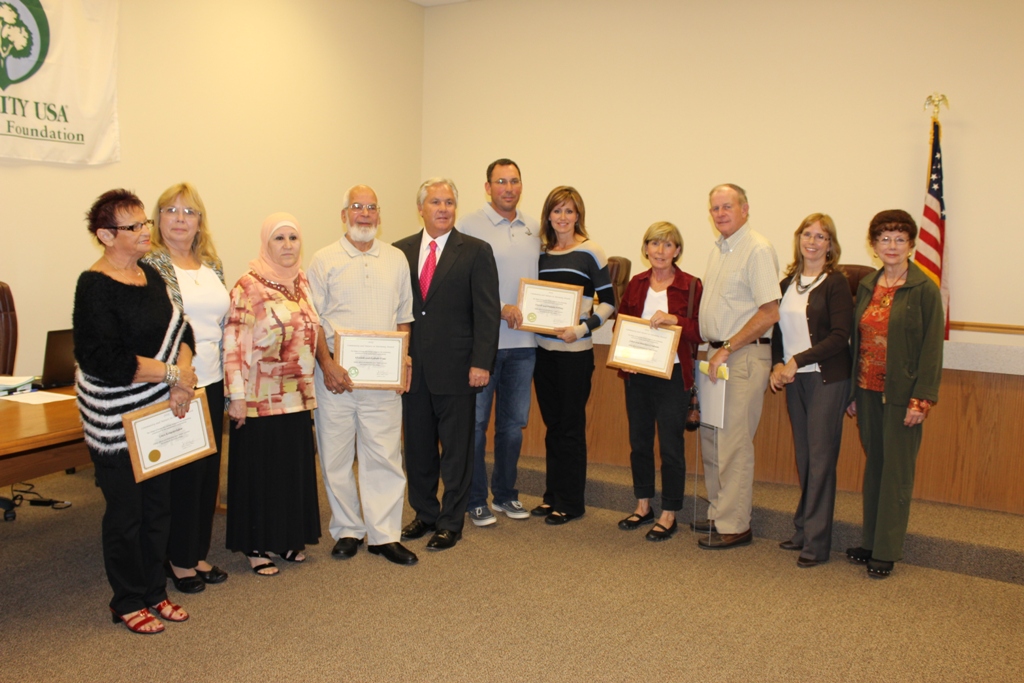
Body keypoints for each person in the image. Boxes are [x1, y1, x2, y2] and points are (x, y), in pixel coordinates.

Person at [73, 189, 195, 634]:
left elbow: (182, 328)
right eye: (135, 226)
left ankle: (153, 591)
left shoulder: (149, 273)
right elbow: (102, 359)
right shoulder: (94, 286)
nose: (147, 231)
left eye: (145, 223)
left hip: (158, 413)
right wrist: (171, 375)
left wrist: (182, 375)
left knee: (158, 508)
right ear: (106, 236)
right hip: (115, 422)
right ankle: (125, 600)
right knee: (127, 514)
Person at [308, 185, 418, 566]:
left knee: (384, 454)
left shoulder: (396, 259)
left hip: (383, 377)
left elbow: (404, 317)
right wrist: (327, 364)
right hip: (335, 375)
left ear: (379, 215)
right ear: (344, 215)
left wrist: (404, 361)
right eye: (357, 207)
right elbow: (313, 322)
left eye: (372, 207)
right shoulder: (323, 260)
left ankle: (384, 534)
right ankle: (348, 528)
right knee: (335, 456)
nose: (365, 214)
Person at [394, 178, 500, 551]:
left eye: (450, 202)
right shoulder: (399, 251)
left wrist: (482, 362)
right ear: (420, 208)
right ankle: (425, 513)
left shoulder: (474, 250)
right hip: (411, 370)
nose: (443, 208)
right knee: (418, 448)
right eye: (436, 202)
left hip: (458, 369)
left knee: (456, 451)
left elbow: (487, 312)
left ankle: (451, 521)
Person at [845, 209, 943, 579]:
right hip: (867, 391)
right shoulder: (868, 285)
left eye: (900, 238)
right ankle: (870, 541)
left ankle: (886, 549)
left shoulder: (923, 289)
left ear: (912, 245)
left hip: (903, 396)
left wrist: (922, 399)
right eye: (884, 238)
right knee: (876, 468)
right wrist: (853, 390)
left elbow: (932, 349)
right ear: (873, 245)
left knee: (896, 472)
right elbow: (859, 342)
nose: (892, 245)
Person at [143, 182, 230, 592]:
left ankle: (195, 552)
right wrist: (177, 379)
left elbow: (223, 325)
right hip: (173, 384)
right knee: (180, 475)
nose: (180, 219)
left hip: (212, 380)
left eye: (189, 212)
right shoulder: (149, 265)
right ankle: (176, 560)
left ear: (200, 222)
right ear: (158, 219)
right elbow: (159, 329)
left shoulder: (212, 266)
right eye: (171, 211)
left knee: (207, 474)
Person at [224, 212, 321, 575]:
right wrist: (235, 396)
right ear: (266, 243)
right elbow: (232, 345)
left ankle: (286, 539)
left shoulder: (302, 283)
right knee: (260, 473)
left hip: (296, 396)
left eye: (293, 238)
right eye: (279, 239)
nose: (287, 246)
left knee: (290, 472)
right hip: (257, 399)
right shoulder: (246, 287)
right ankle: (256, 544)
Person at [456, 159, 541, 527]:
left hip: (524, 345)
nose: (509, 187)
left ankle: (506, 494)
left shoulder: (534, 229)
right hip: (482, 346)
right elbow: (458, 284)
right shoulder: (467, 226)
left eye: (515, 181)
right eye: (501, 181)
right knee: (474, 425)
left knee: (512, 426)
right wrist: (496, 308)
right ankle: (475, 499)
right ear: (487, 187)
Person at [696, 184, 781, 549]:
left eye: (727, 206)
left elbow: (769, 312)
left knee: (733, 443)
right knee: (713, 439)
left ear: (745, 209)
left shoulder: (757, 249)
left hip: (741, 357)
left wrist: (728, 347)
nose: (720, 213)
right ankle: (719, 512)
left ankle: (735, 524)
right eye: (714, 208)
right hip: (716, 359)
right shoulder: (720, 250)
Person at [768, 214, 853, 567]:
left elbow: (839, 337)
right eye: (807, 234)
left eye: (821, 236)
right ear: (798, 238)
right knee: (805, 459)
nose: (813, 241)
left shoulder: (836, 284)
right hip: (794, 379)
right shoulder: (788, 282)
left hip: (826, 379)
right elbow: (779, 332)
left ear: (830, 245)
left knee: (820, 460)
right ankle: (804, 529)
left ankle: (816, 544)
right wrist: (777, 363)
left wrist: (796, 361)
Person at [532, 186, 615, 525]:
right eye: (557, 211)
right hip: (543, 352)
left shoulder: (590, 251)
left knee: (571, 427)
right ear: (548, 216)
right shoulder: (541, 253)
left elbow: (609, 303)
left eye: (569, 211)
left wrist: (580, 330)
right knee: (553, 427)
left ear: (578, 215)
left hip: (575, 353)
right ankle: (552, 496)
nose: (563, 217)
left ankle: (571, 502)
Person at [615, 222, 702, 542]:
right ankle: (642, 506)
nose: (661, 251)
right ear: (646, 248)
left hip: (673, 375)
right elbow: (621, 326)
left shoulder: (691, 285)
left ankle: (669, 512)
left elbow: (700, 332)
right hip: (637, 375)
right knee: (639, 442)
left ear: (677, 250)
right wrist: (626, 359)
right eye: (655, 244)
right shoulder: (636, 284)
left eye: (668, 245)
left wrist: (675, 320)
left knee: (670, 446)